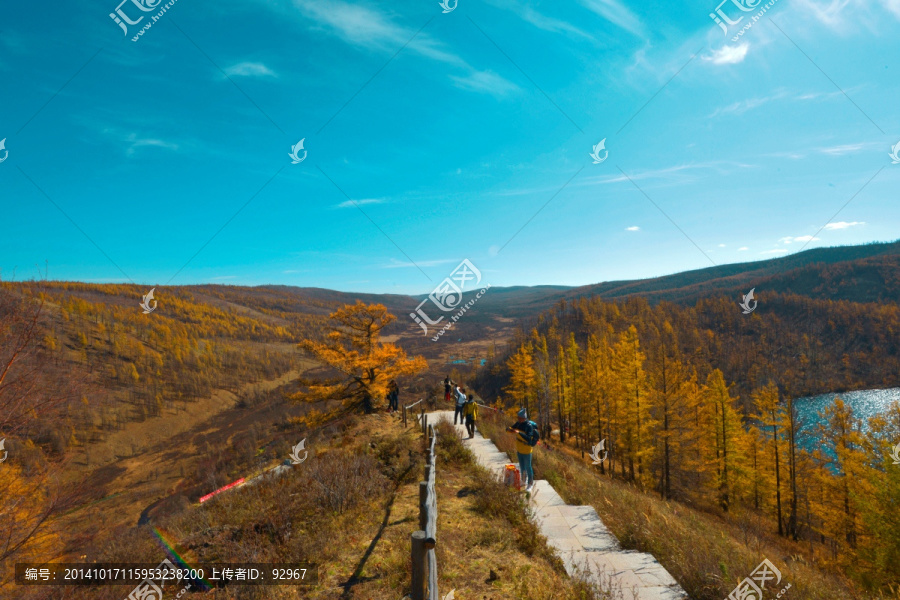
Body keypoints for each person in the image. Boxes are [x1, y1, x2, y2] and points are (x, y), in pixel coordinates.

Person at [506, 408, 538, 491]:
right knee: (522, 466)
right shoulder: (518, 423)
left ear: (524, 418)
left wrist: (518, 432)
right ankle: (523, 481)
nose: (518, 419)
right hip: (519, 448)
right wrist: (509, 429)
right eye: (518, 418)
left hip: (527, 449)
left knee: (528, 467)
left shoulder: (528, 426)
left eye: (520, 418)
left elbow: (528, 438)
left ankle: (530, 484)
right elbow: (512, 428)